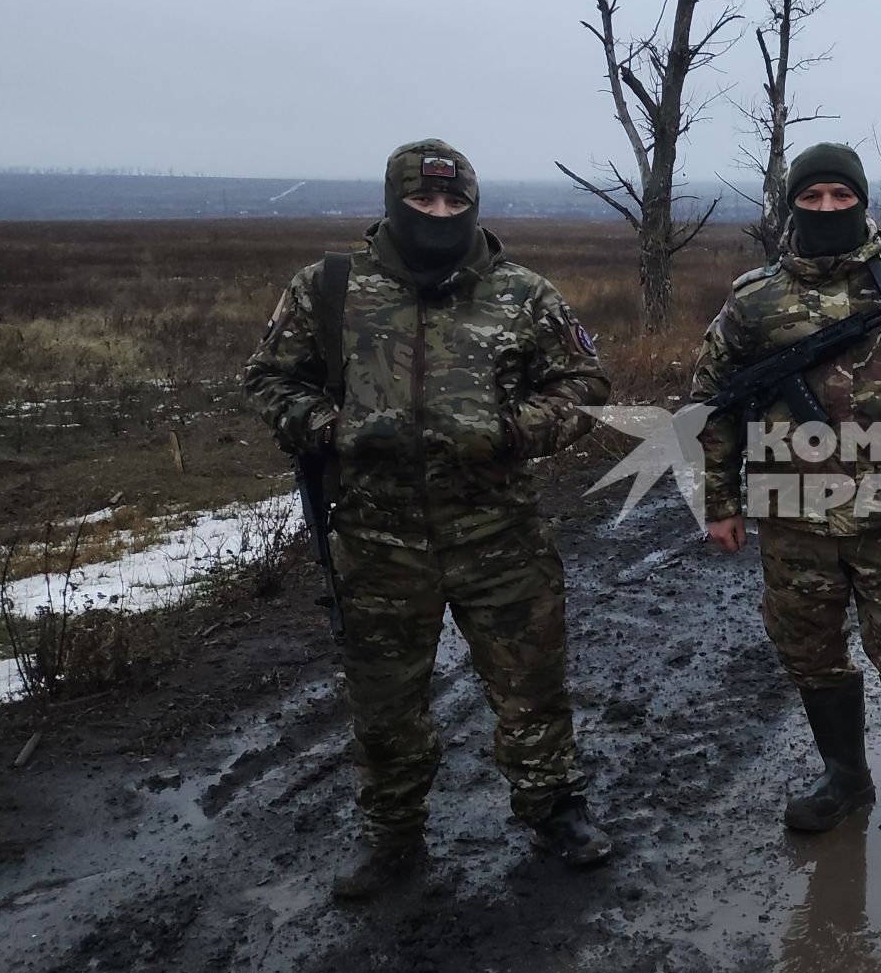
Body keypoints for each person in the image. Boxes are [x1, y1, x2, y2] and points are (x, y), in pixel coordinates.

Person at [243, 139, 614, 900]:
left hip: (500, 534)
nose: (439, 214)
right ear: (393, 203)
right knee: (384, 705)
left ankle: (554, 810)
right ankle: (395, 837)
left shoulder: (522, 292)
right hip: (377, 543)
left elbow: (586, 384)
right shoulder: (330, 288)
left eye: (453, 202)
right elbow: (270, 380)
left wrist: (515, 429)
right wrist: (333, 429)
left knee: (531, 687)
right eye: (423, 202)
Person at [688, 142, 881, 856]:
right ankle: (844, 775)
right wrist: (720, 501)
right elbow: (713, 405)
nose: (827, 208)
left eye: (840, 196)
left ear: (861, 201)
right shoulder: (753, 299)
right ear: (794, 203)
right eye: (813, 197)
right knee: (809, 649)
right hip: (792, 516)